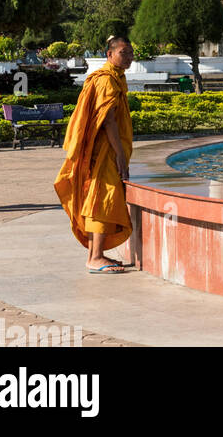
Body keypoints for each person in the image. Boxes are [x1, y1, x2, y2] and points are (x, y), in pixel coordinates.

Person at [54, 35, 134, 273]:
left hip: (106, 150)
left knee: (98, 198)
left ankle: (95, 254)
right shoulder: (106, 80)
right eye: (123, 53)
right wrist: (119, 154)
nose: (128, 58)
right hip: (105, 151)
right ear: (110, 55)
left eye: (130, 53)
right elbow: (108, 121)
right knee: (103, 198)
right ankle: (96, 256)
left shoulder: (115, 78)